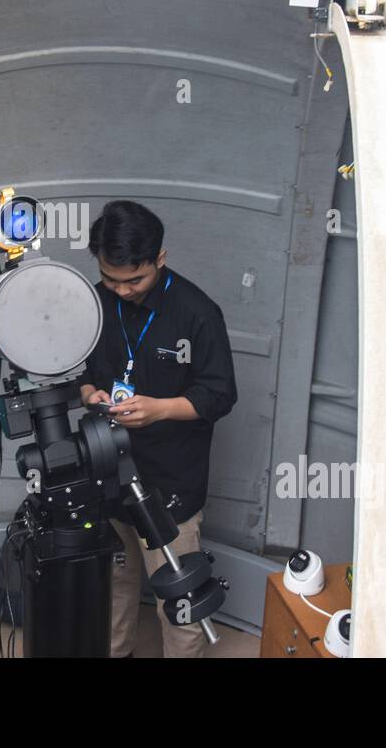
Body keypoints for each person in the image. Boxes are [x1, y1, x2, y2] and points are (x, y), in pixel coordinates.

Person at [77, 201, 237, 658]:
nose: (122, 291)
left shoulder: (198, 313)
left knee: (179, 598)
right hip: (109, 471)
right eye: (111, 279)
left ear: (160, 259)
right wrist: (90, 393)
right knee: (113, 584)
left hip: (170, 484)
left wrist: (161, 409)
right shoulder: (93, 302)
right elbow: (76, 369)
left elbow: (220, 395)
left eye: (135, 280)